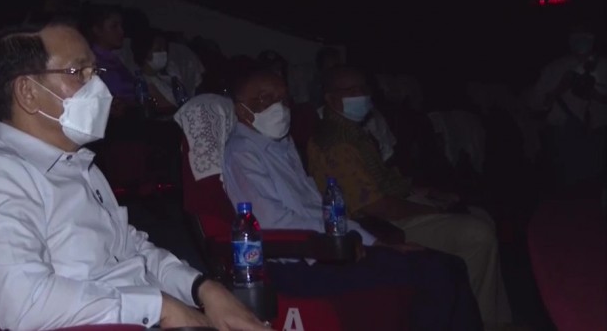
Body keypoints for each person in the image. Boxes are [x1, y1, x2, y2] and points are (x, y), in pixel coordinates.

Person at [0, 19, 267, 331]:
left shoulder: (77, 163)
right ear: (28, 92)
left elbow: (130, 249)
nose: (100, 88)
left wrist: (202, 288)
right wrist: (158, 306)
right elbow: (25, 305)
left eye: (95, 72)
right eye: (79, 73)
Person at [222, 69, 482, 330]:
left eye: (283, 99)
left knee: (449, 265)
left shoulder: (282, 145)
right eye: (265, 99)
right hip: (298, 262)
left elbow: (319, 210)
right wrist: (344, 243)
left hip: (328, 248)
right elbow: (273, 223)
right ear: (242, 110)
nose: (279, 107)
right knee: (435, 272)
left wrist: (375, 242)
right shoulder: (243, 152)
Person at [307, 66, 512, 329]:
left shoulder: (353, 131)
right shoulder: (336, 142)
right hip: (374, 224)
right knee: (476, 233)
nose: (360, 95)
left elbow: (384, 181)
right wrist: (436, 212)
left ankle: (494, 320)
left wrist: (427, 193)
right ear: (330, 98)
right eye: (350, 91)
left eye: (363, 88)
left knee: (481, 216)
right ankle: (475, 321)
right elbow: (375, 206)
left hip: (388, 208)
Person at [530, 24, 607, 188]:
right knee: (568, 186)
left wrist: (597, 96)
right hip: (563, 137)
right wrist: (559, 89)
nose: (581, 37)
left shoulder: (604, 66)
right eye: (576, 33)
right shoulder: (554, 68)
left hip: (599, 137)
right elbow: (536, 104)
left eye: (585, 33)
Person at [84, 5, 136, 117]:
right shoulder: (90, 60)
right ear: (97, 30)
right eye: (114, 26)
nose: (121, 31)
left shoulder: (120, 58)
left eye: (121, 26)